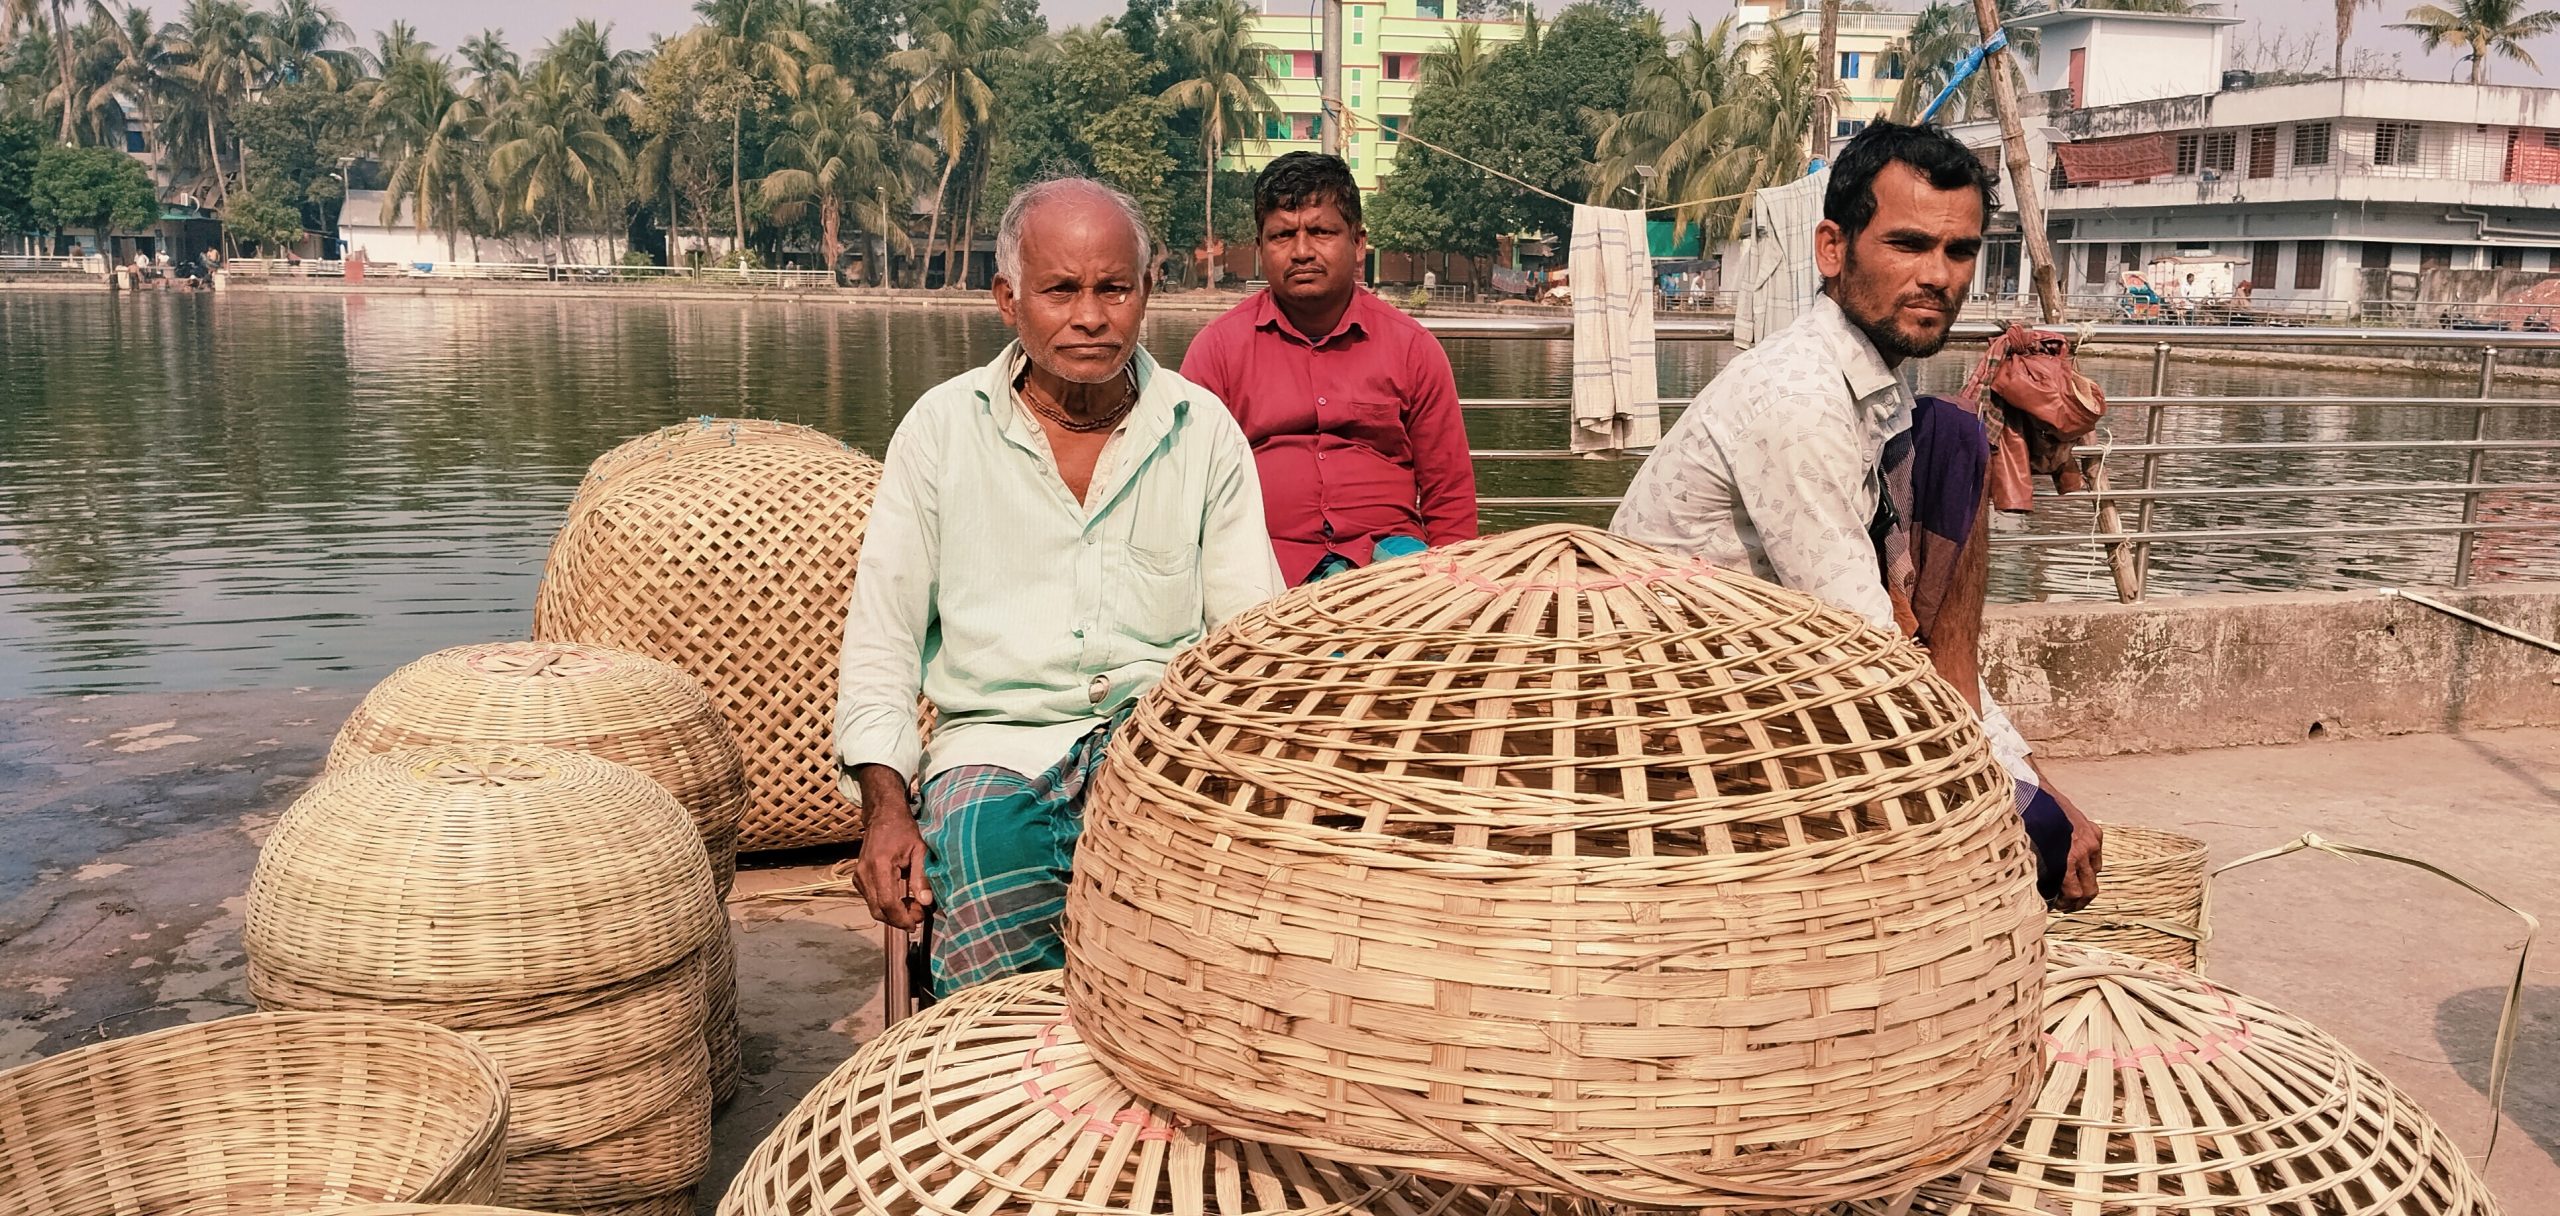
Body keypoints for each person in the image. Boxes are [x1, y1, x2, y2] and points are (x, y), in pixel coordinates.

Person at [1610, 121, 2105, 910]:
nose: (1937, 277)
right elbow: (1869, 654)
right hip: (1679, 709)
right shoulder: (1800, 399)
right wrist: (2019, 794)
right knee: (2038, 843)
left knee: (1951, 438)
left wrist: (2026, 773)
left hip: (1773, 675)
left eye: (1959, 251)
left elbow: (1899, 643)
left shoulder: (1882, 398)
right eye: (1907, 245)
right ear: (1833, 249)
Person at [836, 177, 1284, 996]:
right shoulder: (940, 431)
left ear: (1147, 292)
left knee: (1216, 885)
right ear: (1008, 299)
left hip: (1158, 738)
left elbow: (1249, 643)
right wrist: (886, 808)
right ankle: (1008, 1086)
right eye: (1060, 290)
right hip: (995, 742)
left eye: (1113, 288)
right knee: (979, 842)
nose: (1090, 315)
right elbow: (883, 642)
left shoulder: (1202, 430)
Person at [1181, 152, 1479, 585]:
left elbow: (1448, 495)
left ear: (1358, 243)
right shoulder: (1218, 350)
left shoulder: (1412, 348)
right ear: (1261, 246)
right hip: (1262, 574)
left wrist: (1449, 595)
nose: (1302, 251)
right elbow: (1187, 489)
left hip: (1393, 577)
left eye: (1321, 232)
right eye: (1282, 236)